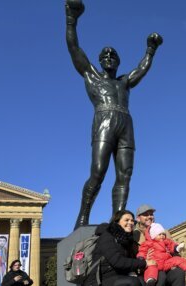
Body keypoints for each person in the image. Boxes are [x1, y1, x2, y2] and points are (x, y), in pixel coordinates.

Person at [65, 1, 164, 230]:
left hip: (125, 123)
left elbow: (142, 68)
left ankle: (118, 220)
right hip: (104, 120)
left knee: (125, 175)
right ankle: (83, 217)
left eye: (113, 55)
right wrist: (71, 20)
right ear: (100, 61)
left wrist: (151, 49)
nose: (109, 57)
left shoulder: (124, 82)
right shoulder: (92, 76)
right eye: (105, 55)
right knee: (98, 172)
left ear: (118, 62)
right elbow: (74, 48)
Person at [82, 210, 149, 286]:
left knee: (141, 282)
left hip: (115, 280)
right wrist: (144, 263)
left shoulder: (126, 241)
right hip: (97, 285)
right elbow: (118, 261)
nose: (130, 223)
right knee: (133, 282)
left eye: (132, 220)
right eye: (126, 220)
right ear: (117, 222)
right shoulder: (107, 236)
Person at [135, 204, 186, 286]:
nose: (149, 216)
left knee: (178, 273)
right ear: (138, 218)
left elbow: (173, 248)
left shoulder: (163, 230)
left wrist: (173, 257)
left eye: (151, 214)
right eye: (145, 215)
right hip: (148, 269)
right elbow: (134, 254)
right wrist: (144, 260)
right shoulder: (136, 234)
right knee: (160, 276)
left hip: (166, 264)